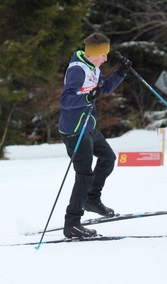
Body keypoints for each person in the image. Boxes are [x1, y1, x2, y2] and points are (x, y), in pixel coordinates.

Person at [58, 32, 131, 238]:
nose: (106, 59)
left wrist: (121, 72)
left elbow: (103, 88)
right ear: (93, 53)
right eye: (103, 55)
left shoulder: (93, 67)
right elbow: (66, 100)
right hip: (74, 130)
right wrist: (87, 97)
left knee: (108, 158)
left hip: (88, 126)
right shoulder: (78, 70)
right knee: (84, 175)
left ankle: (91, 199)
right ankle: (72, 223)